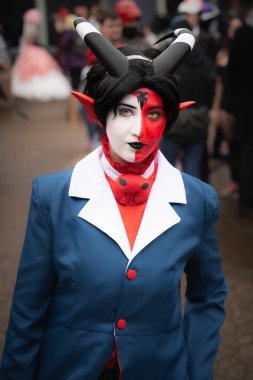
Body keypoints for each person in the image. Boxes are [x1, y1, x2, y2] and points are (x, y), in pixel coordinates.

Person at [0, 17, 228, 380]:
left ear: (170, 118)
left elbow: (208, 296)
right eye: (125, 111)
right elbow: (29, 309)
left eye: (153, 113)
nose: (139, 129)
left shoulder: (198, 200)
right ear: (99, 113)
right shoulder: (52, 195)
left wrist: (194, 370)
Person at [11, 8, 71, 101]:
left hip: (31, 50)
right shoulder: (33, 29)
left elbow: (27, 41)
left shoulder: (30, 30)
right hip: (33, 50)